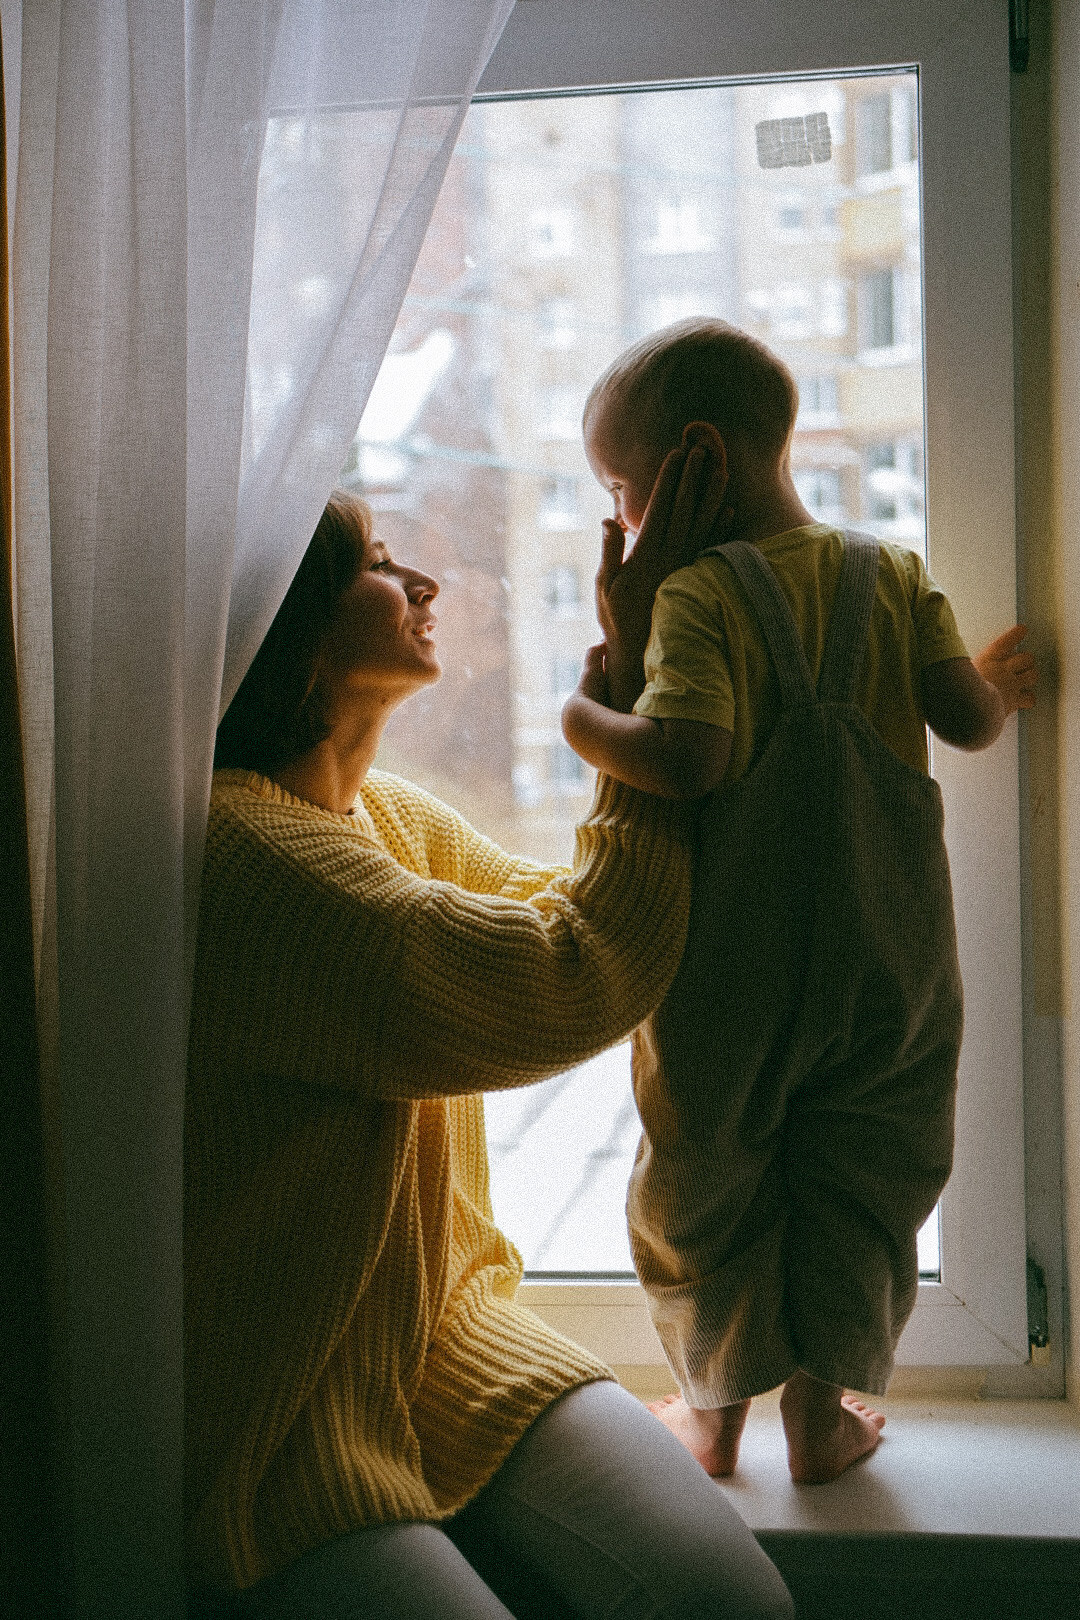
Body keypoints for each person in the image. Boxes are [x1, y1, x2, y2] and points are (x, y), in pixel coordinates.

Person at [186, 487, 794, 1619]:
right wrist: (637, 705)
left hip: (452, 1342)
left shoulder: (387, 817)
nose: (419, 581)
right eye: (375, 565)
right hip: (282, 1409)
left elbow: (594, 914)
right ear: (285, 622)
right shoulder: (236, 853)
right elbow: (571, 975)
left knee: (735, 1602)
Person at [561, 318, 1037, 1487]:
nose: (622, 519)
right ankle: (822, 1417)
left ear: (698, 460)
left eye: (621, 490)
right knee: (871, 1171)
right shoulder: (894, 574)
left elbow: (692, 759)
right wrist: (998, 684)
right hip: (892, 958)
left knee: (702, 1176)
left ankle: (715, 1414)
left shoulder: (698, 596)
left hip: (735, 965)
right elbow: (965, 720)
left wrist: (583, 717)